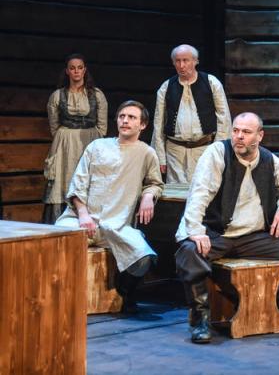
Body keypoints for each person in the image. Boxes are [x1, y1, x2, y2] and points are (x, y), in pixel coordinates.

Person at [174, 112, 279, 344]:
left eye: (246, 132)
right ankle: (201, 319)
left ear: (260, 136)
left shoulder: (270, 160)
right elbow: (200, 193)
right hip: (217, 233)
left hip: (251, 237)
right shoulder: (217, 153)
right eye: (236, 130)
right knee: (189, 252)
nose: (239, 136)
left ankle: (253, 303)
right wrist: (195, 230)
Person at [56, 101, 164, 314]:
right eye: (122, 116)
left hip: (116, 224)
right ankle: (63, 297)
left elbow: (155, 183)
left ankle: (124, 293)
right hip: (81, 220)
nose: (125, 121)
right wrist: (83, 214)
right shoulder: (97, 146)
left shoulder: (146, 153)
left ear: (142, 125)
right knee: (56, 241)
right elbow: (78, 183)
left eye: (132, 117)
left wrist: (148, 196)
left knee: (145, 257)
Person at [151, 44, 232, 184]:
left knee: (202, 188)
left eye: (186, 60)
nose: (181, 65)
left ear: (195, 61)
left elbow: (224, 119)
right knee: (175, 191)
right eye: (177, 61)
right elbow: (158, 124)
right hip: (174, 153)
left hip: (204, 149)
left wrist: (218, 152)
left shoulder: (211, 83)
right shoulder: (166, 87)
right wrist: (160, 157)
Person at [42, 54, 108, 223]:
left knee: (88, 178)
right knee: (62, 179)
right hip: (64, 144)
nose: (76, 71)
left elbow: (102, 127)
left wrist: (94, 141)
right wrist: (65, 138)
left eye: (80, 67)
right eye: (72, 68)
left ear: (85, 70)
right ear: (67, 71)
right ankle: (59, 223)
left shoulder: (97, 95)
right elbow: (54, 126)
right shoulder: (57, 96)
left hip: (89, 141)